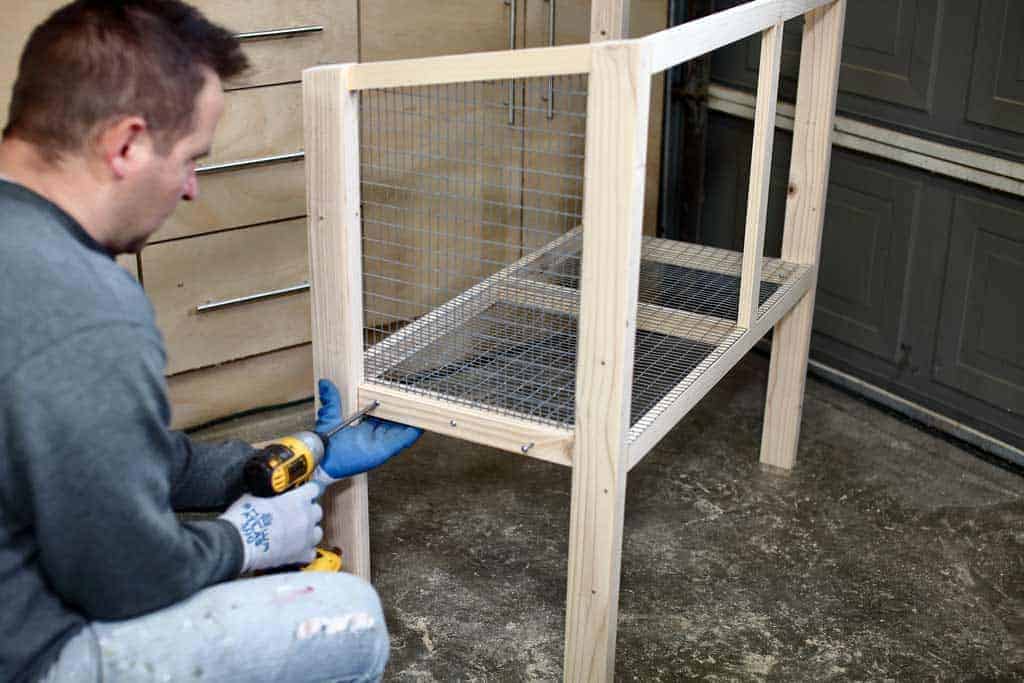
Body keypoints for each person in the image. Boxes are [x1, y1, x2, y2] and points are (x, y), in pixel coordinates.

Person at [0, 2, 421, 681]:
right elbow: (126, 579)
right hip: (25, 654)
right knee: (350, 617)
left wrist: (310, 454)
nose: (192, 190)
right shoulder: (85, 308)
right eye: (191, 159)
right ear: (128, 145)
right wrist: (244, 541)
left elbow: (114, 450)